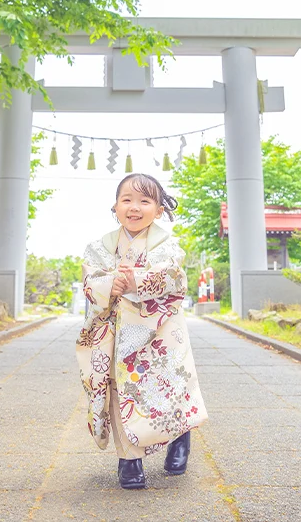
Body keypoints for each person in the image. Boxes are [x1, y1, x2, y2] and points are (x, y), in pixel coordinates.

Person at [76, 173, 208, 490]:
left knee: (169, 385)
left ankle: (179, 436)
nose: (134, 207)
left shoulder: (167, 245)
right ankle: (129, 459)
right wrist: (110, 284)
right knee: (119, 387)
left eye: (144, 201)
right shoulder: (99, 247)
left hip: (161, 332)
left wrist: (135, 281)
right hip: (116, 332)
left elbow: (174, 278)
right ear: (115, 206)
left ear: (159, 210)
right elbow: (90, 281)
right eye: (127, 200)